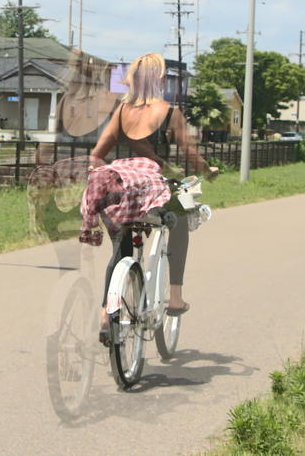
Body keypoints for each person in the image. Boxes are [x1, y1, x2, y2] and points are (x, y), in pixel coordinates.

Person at [81, 53, 216, 340]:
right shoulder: (169, 113)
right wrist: (208, 170)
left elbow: (97, 155)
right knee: (180, 215)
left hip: (117, 190)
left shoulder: (120, 111)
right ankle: (175, 296)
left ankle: (106, 312)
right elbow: (191, 154)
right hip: (153, 190)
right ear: (159, 80)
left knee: (120, 249)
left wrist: (98, 178)